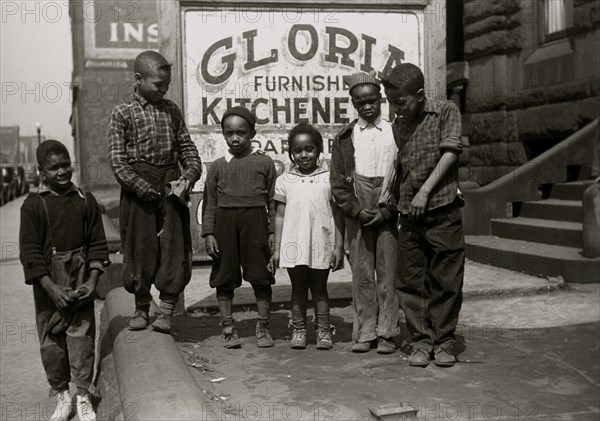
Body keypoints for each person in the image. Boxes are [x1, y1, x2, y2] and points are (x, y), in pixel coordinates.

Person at [107, 50, 202, 334]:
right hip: (138, 191)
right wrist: (139, 187)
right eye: (157, 84)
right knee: (139, 248)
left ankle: (168, 311)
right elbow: (117, 161)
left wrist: (187, 178)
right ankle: (141, 307)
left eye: (166, 85)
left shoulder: (171, 110)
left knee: (174, 248)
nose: (163, 90)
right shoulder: (122, 112)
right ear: (138, 79)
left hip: (172, 188)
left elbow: (188, 150)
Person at [381, 63, 465, 367]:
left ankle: (444, 342)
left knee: (446, 280)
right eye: (390, 102)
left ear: (419, 94)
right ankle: (420, 341)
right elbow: (404, 162)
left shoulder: (445, 111)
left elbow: (451, 152)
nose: (395, 109)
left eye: (400, 102)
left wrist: (425, 193)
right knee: (410, 281)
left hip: (443, 211)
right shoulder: (398, 123)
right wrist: (391, 193)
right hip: (410, 215)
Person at [19, 140, 109, 421]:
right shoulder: (34, 205)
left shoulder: (85, 200)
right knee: (51, 339)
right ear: (40, 171)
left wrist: (93, 281)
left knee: (81, 336)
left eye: (65, 165)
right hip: (48, 282)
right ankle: (61, 395)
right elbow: (30, 252)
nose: (61, 172)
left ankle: (83, 395)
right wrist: (50, 287)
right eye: (53, 167)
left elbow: (97, 243)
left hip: (81, 276)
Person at [330, 71, 400, 354]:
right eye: (361, 103)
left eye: (372, 100)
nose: (367, 107)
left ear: (381, 99)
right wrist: (356, 210)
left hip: (386, 209)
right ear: (353, 103)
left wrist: (389, 209)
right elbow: (337, 182)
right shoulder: (346, 137)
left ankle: (387, 331)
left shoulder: (395, 132)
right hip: (357, 209)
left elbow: (404, 175)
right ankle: (366, 331)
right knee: (361, 273)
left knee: (388, 272)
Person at [202, 106, 277, 349]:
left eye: (241, 133)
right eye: (229, 133)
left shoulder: (264, 163)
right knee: (225, 276)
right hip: (225, 224)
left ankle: (263, 325)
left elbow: (272, 202)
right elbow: (210, 203)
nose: (235, 138)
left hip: (255, 223)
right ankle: (227, 326)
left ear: (252, 134)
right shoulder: (217, 167)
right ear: (223, 134)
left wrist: (274, 231)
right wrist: (209, 232)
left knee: (261, 275)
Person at [271, 123, 345, 350]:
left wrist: (339, 246)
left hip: (321, 242)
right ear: (290, 153)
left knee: (320, 288)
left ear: (319, 150)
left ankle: (323, 330)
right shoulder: (284, 180)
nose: (304, 155)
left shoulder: (328, 178)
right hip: (294, 244)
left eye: (309, 149)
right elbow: (280, 216)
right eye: (298, 150)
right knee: (298, 287)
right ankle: (299, 329)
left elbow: (337, 214)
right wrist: (276, 248)